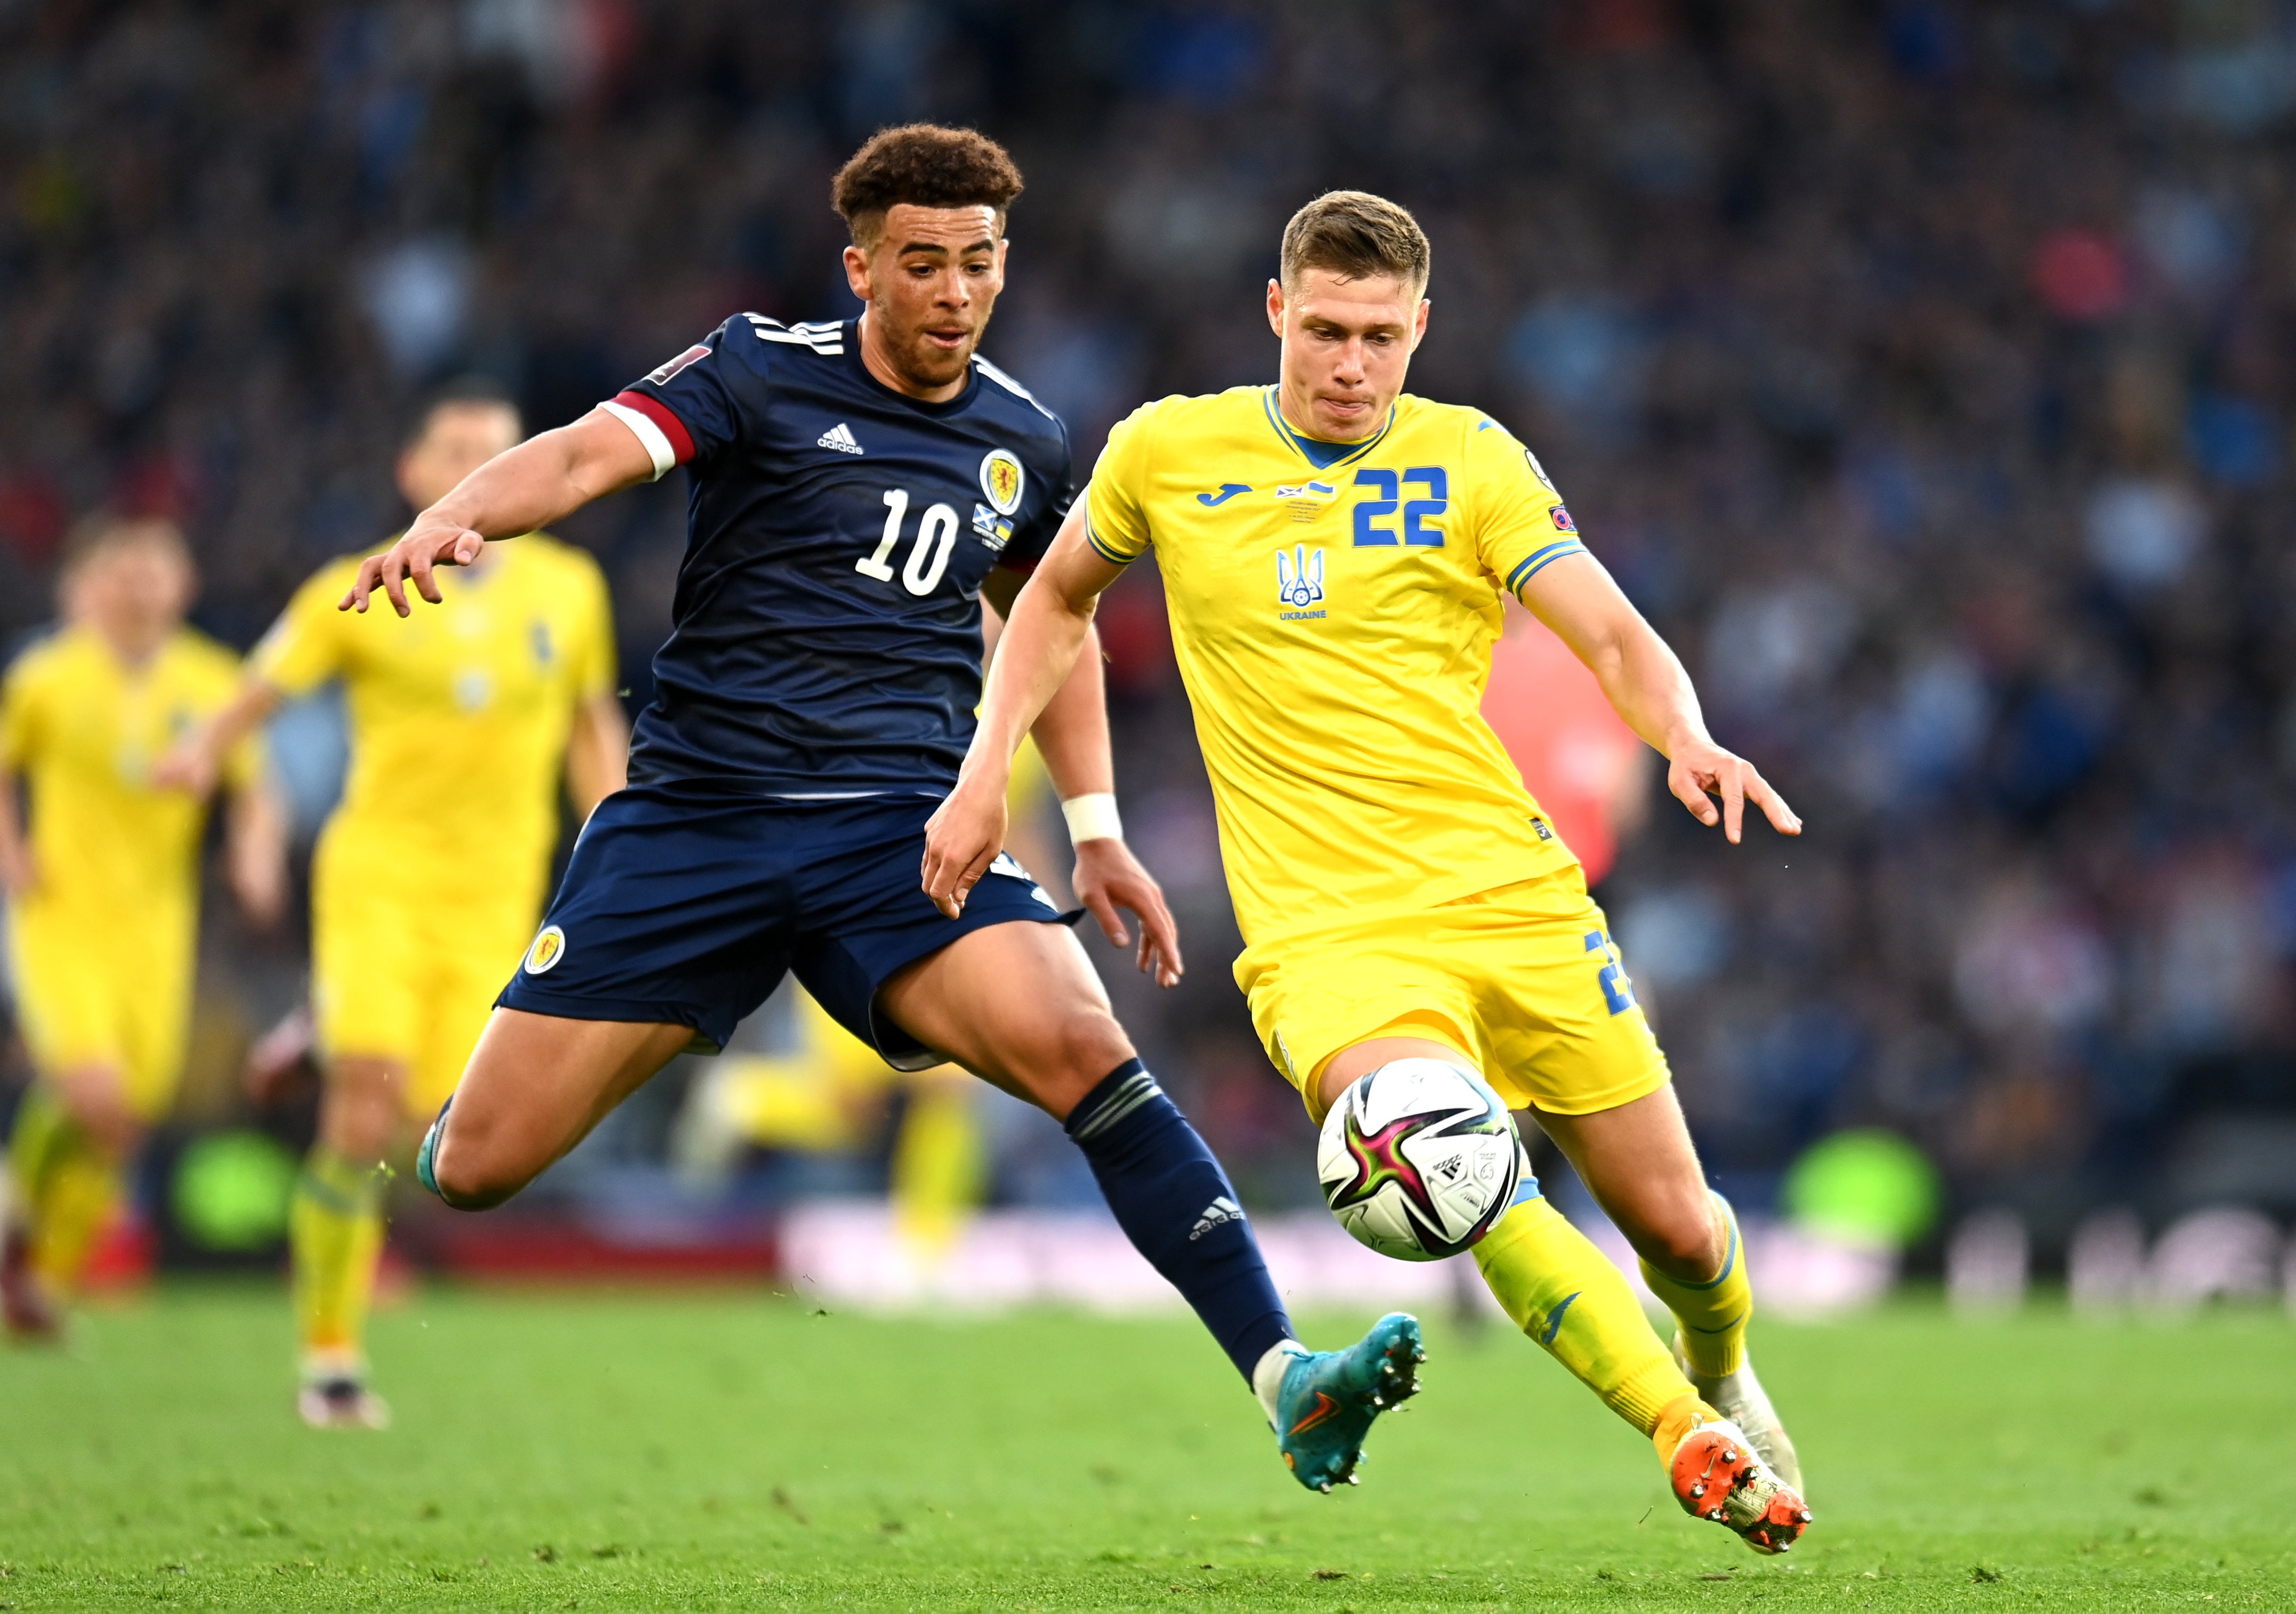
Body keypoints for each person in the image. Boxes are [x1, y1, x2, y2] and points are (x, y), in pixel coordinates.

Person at [334, 126, 1416, 1491]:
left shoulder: (1022, 435)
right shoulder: (756, 371)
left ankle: (1286, 1376)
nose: (956, 291)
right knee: (480, 1166)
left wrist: (1093, 825)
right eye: (924, 264)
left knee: (1086, 1043)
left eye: (979, 263)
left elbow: (1056, 622)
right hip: (700, 821)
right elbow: (577, 457)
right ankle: (570, 1047)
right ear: (863, 269)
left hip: (897, 835)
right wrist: (463, 515)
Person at [924, 190, 1814, 1554]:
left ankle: (1721, 1366)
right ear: (1277, 312)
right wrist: (1002, 772)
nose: (1351, 365)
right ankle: (1671, 1427)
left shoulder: (1473, 459)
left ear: (1421, 330)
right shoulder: (1168, 450)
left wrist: (1684, 731)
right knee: (1450, 1162)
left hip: (1513, 897)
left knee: (1685, 1232)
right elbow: (1053, 596)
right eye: (1327, 331)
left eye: (1381, 338)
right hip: (1330, 938)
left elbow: (1611, 632)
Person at [162, 384, 627, 1427]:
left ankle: (324, 1020)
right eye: (456, 453)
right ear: (417, 477)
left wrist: (623, 841)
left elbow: (591, 725)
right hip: (377, 874)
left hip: (495, 888)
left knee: (448, 1138)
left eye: (498, 454)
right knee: (361, 1106)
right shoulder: (358, 583)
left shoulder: (570, 591)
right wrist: (203, 755)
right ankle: (330, 1359)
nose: (476, 471)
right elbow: (260, 684)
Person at [0, 515, 285, 1337]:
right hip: (59, 919)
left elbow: (256, 789)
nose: (141, 585)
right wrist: (14, 852)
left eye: (157, 569)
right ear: (94, 584)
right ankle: (23, 1245)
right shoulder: (45, 678)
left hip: (156, 929)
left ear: (185, 583)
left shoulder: (212, 681)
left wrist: (255, 854)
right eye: (124, 570)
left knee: (126, 1117)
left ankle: (37, 1279)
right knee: (94, 1091)